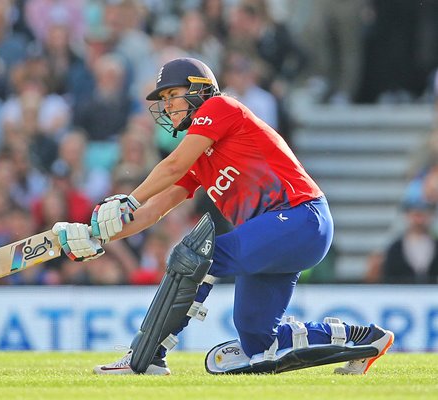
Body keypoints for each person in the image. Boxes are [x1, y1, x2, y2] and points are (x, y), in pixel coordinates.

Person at [52, 57, 394, 376]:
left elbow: (170, 167)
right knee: (259, 342)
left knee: (195, 257)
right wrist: (97, 236)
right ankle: (364, 338)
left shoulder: (220, 107)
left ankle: (148, 354)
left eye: (174, 94)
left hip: (300, 218)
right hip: (278, 235)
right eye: (164, 97)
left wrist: (128, 197)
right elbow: (153, 211)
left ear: (200, 90)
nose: (167, 104)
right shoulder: (199, 157)